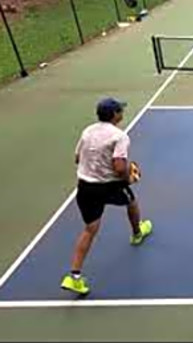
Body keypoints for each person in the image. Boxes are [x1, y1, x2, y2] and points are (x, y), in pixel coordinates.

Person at [60, 98, 153, 295]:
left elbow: (78, 158)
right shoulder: (119, 137)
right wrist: (129, 173)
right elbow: (119, 168)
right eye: (120, 110)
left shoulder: (88, 131)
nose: (122, 113)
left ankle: (74, 276)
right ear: (114, 115)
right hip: (109, 186)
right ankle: (137, 233)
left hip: (85, 187)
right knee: (131, 201)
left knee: (89, 229)